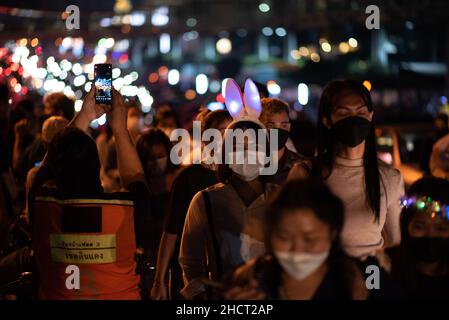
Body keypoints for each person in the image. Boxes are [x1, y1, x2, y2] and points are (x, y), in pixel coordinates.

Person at [28, 87, 150, 299]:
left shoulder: (44, 207)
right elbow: (136, 180)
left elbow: (46, 169)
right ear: (97, 170)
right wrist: (120, 128)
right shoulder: (123, 211)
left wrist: (84, 115)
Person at [290, 79, 404, 260]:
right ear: (327, 120)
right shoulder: (306, 173)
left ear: (370, 116)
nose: (353, 120)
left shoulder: (389, 177)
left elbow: (395, 241)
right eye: (343, 113)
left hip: (370, 277)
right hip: (324, 277)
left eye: (360, 112)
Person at [179, 79, 271, 299]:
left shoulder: (282, 198)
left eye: (254, 146)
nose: (246, 153)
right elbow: (190, 262)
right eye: (238, 147)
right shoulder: (205, 200)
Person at [223, 179, 368, 300]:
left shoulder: (363, 279)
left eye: (310, 239)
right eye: (284, 237)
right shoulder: (250, 278)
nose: (297, 250)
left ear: (332, 234)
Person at [150, 110, 232, 300]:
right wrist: (159, 281)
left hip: (225, 275)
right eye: (220, 131)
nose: (226, 137)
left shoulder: (240, 178)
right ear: (206, 138)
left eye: (230, 130)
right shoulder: (189, 178)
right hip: (191, 275)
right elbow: (171, 231)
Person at [135, 127, 180, 298]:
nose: (156, 162)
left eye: (160, 156)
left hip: (176, 256)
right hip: (149, 257)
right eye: (150, 159)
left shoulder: (180, 178)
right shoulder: (140, 186)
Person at [386, 177, 449, 299]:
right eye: (419, 227)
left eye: (441, 229)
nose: (430, 236)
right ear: (406, 227)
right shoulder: (380, 267)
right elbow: (370, 290)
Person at [258, 97, 310, 189]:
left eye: (284, 125)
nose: (278, 130)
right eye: (270, 125)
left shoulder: (303, 166)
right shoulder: (248, 167)